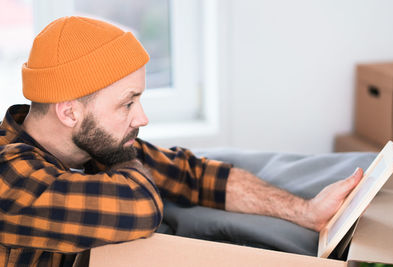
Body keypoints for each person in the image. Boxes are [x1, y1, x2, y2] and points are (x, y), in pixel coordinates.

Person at [0, 16, 363, 266]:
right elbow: (140, 207)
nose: (142, 118)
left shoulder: (87, 141)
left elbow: (193, 175)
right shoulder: (10, 180)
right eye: (127, 103)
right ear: (69, 113)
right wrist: (127, 161)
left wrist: (306, 212)